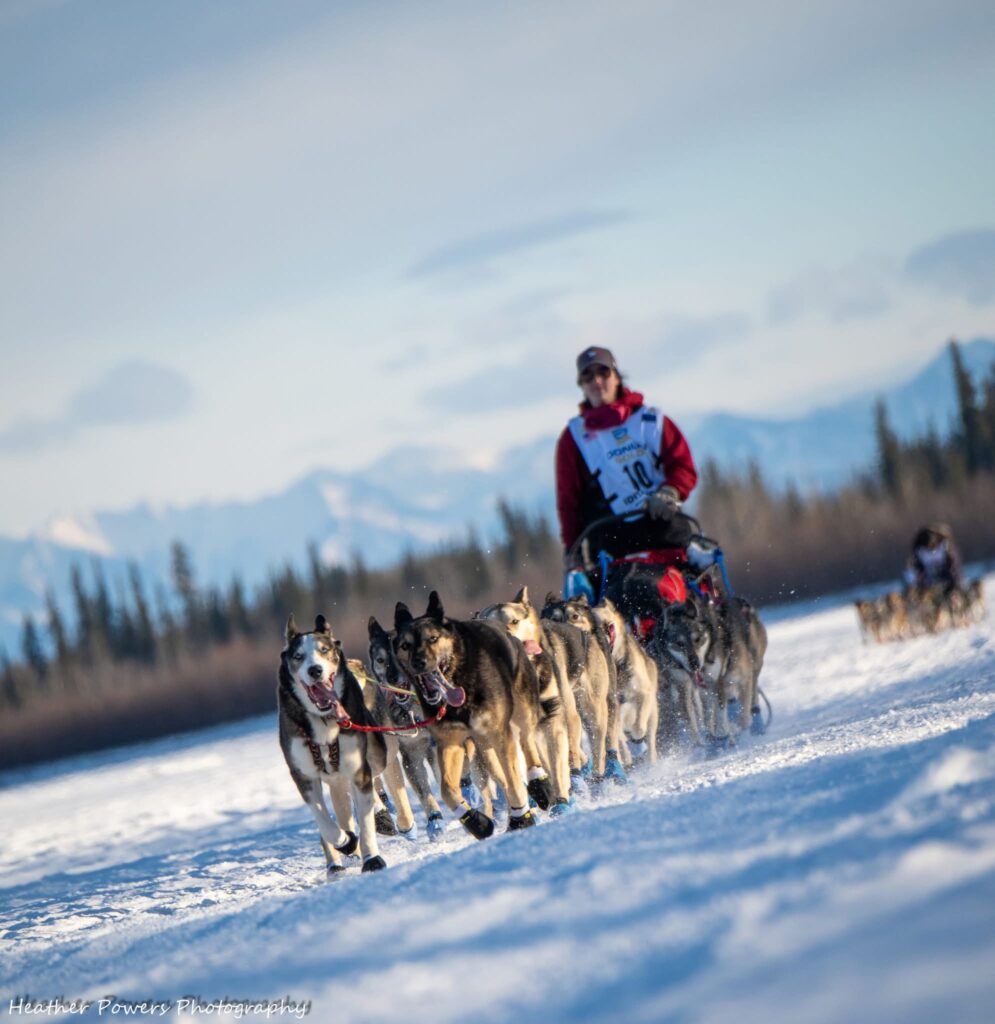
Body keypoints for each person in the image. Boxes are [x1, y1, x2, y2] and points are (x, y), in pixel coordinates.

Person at [556, 346, 698, 566]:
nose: (596, 381)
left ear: (616, 376)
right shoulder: (574, 438)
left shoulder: (651, 422)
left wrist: (670, 491)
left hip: (663, 528)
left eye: (603, 373)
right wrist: (571, 548)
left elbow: (683, 465)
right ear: (581, 385)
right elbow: (568, 499)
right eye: (588, 376)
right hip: (611, 543)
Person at [903, 523, 963, 593]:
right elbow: (912, 569)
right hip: (928, 578)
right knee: (910, 575)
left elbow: (954, 564)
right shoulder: (919, 552)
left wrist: (955, 577)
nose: (931, 551)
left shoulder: (945, 546)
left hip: (945, 573)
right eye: (929, 548)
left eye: (933, 547)